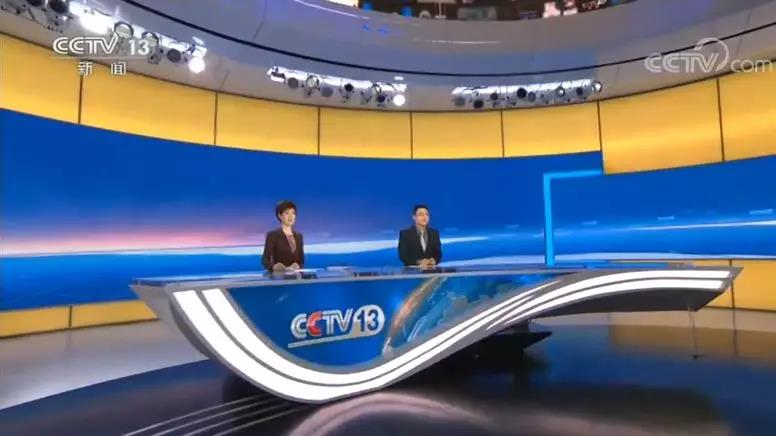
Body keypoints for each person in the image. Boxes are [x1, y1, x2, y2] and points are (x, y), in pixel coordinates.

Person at [262, 200, 305, 273]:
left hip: (296, 276)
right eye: (287, 213)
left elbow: (301, 261)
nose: (291, 216)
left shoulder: (299, 236)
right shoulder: (272, 235)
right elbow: (265, 260)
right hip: (279, 276)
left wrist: (297, 266)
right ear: (280, 215)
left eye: (293, 213)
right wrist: (274, 267)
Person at [398, 204, 442, 268]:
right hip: (412, 272)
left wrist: (435, 260)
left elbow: (438, 253)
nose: (424, 217)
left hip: (431, 270)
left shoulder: (434, 233)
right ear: (414, 217)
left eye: (427, 214)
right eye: (421, 214)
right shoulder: (405, 234)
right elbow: (403, 256)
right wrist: (419, 262)